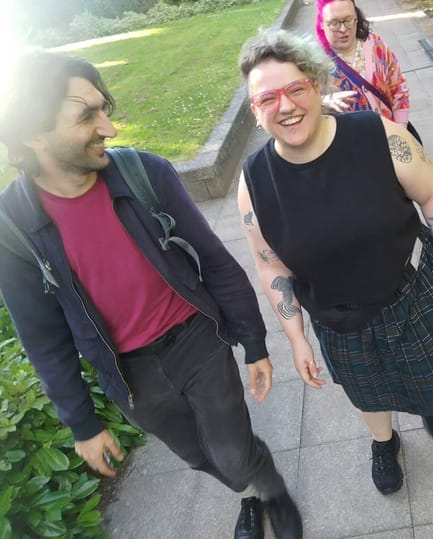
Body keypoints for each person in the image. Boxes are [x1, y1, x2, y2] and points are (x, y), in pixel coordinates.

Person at [0, 51, 302, 539]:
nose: (109, 128)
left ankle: (269, 489)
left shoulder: (144, 174)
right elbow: (44, 339)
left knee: (232, 451)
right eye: (86, 116)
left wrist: (254, 342)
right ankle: (247, 489)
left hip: (196, 341)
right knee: (197, 455)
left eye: (104, 108)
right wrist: (82, 424)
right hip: (129, 374)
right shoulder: (12, 227)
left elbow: (215, 262)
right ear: (33, 134)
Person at [237, 28, 433, 495]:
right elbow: (270, 265)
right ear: (254, 112)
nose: (285, 106)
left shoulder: (377, 135)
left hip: (409, 291)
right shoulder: (254, 182)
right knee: (368, 390)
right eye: (267, 98)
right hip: (337, 317)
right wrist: (296, 337)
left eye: (295, 88)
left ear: (316, 84)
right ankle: (384, 442)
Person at [315, 0, 411, 126]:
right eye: (334, 23)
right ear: (321, 23)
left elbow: (399, 86)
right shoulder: (314, 63)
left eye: (348, 20)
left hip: (390, 134)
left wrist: (401, 127)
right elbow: (302, 105)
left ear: (356, 17)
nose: (343, 29)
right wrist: (322, 102)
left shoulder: (375, 43)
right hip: (350, 143)